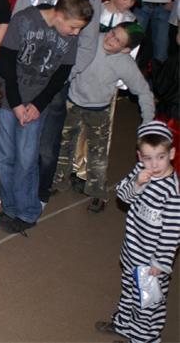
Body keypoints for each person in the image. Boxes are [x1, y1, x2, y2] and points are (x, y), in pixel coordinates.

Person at [0, 0, 93, 234]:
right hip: (8, 100)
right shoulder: (24, 20)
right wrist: (16, 103)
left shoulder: (69, 37)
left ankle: (27, 212)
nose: (76, 33)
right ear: (58, 14)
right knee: (5, 157)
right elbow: (6, 64)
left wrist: (38, 105)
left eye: (79, 29)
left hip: (36, 105)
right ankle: (9, 208)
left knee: (27, 159)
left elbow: (61, 75)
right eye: (73, 27)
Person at [53, 22, 154, 211]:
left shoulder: (125, 64)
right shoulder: (91, 41)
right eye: (112, 32)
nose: (110, 38)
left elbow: (143, 92)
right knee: (64, 145)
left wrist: (147, 123)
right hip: (73, 103)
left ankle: (97, 192)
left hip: (98, 111)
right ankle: (59, 180)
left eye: (117, 40)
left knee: (97, 155)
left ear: (126, 49)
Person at [95, 121, 179, 342]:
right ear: (140, 156)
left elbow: (172, 233)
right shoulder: (141, 171)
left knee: (146, 307)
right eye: (148, 158)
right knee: (128, 292)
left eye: (160, 157)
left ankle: (143, 339)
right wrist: (137, 184)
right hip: (132, 251)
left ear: (171, 153)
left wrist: (159, 263)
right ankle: (124, 325)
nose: (154, 164)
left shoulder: (172, 192)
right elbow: (122, 196)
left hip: (151, 264)